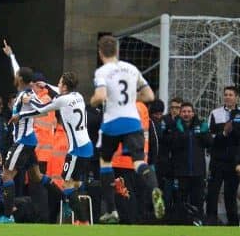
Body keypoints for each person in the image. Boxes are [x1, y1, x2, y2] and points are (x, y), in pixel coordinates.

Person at [90, 35, 163, 223]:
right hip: (133, 122)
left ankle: (111, 211)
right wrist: (132, 98)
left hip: (113, 122)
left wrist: (93, 100)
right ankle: (154, 188)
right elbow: (149, 95)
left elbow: (101, 95)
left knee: (105, 162)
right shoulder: (132, 69)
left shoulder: (103, 71)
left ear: (100, 52)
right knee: (138, 162)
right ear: (117, 50)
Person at [16, 72, 94, 225]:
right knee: (75, 183)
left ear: (64, 86)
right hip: (87, 146)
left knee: (66, 185)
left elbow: (40, 109)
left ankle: (82, 220)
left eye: (59, 83)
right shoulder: (78, 96)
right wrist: (48, 87)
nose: (57, 85)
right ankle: (75, 205)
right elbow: (58, 91)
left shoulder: (61, 100)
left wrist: (29, 99)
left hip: (76, 150)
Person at [0, 67, 61, 224]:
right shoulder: (22, 93)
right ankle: (66, 201)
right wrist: (10, 55)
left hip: (23, 141)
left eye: (17, 75)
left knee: (6, 175)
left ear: (21, 79)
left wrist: (22, 114)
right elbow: (17, 67)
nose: (14, 75)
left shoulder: (27, 95)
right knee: (36, 176)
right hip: (28, 142)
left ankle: (8, 216)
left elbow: (43, 111)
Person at [169, 102, 211, 225]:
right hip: (181, 172)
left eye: (189, 111)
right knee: (180, 200)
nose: (186, 114)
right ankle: (182, 223)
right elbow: (172, 145)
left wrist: (204, 132)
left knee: (198, 199)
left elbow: (209, 143)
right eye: (184, 111)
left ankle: (199, 222)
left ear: (193, 113)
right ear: (180, 113)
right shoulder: (175, 126)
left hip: (198, 171)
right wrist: (183, 134)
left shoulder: (200, 125)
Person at [206, 86, 240, 226]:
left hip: (234, 163)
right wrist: (224, 134)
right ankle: (211, 222)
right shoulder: (215, 113)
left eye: (230, 95)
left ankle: (233, 225)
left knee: (230, 195)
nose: (227, 97)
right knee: (212, 193)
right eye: (225, 94)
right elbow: (209, 138)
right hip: (217, 161)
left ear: (237, 97)